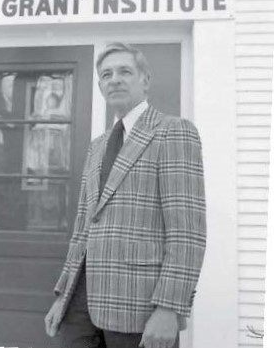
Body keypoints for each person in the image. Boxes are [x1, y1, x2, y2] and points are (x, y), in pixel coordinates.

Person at [45, 42, 206, 348]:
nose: (114, 79)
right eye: (106, 74)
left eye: (124, 71)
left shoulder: (174, 131)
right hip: (81, 305)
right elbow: (82, 229)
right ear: (101, 86)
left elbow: (187, 232)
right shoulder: (98, 145)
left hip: (140, 306)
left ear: (145, 81)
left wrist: (169, 308)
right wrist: (62, 297)